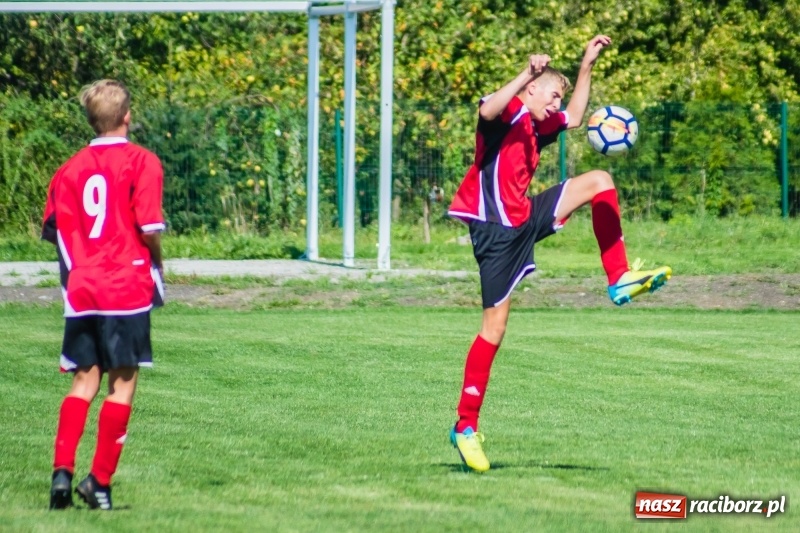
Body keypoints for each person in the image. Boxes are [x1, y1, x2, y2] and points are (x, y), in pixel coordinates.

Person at [447, 35, 671, 472]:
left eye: (558, 98)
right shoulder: (508, 114)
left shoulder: (537, 125)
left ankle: (619, 278)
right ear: (531, 89)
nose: (556, 105)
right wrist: (526, 73)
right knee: (494, 328)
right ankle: (465, 426)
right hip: (494, 232)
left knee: (600, 180)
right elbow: (486, 110)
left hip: (523, 216)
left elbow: (575, 117)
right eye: (552, 95)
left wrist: (587, 65)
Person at [42, 79, 165, 509]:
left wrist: (77, 276)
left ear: (92, 120)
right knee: (122, 384)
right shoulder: (143, 161)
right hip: (125, 287)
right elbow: (148, 227)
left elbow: (56, 230)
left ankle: (61, 473)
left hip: (83, 289)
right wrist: (157, 263)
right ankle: (99, 482)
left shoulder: (69, 169)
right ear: (127, 116)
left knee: (83, 381)